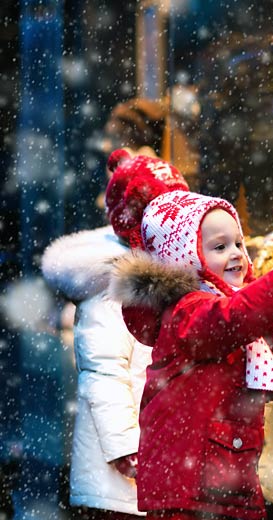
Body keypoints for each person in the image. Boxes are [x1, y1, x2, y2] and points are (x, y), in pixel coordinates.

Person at [109, 189, 273, 520]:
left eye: (239, 243)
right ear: (187, 256)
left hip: (218, 470)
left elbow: (239, 323)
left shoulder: (214, 306)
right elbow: (233, 319)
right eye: (220, 247)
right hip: (195, 480)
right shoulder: (189, 310)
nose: (237, 254)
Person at [41, 149, 190, 519]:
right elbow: (103, 373)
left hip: (155, 453)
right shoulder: (114, 286)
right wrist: (125, 446)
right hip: (123, 470)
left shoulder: (163, 277)